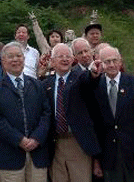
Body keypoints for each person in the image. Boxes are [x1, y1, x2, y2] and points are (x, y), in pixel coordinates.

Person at [0, 42, 51, 182]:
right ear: (3, 61)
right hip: (10, 154)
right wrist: (19, 139)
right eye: (10, 56)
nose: (15, 60)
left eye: (18, 56)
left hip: (37, 154)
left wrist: (36, 138)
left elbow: (46, 114)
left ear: (24, 59)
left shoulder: (37, 85)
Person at [91, 46, 134, 182]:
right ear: (100, 63)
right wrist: (96, 159)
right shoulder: (95, 87)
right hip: (108, 158)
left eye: (115, 60)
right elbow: (95, 126)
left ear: (121, 61)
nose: (112, 65)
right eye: (107, 61)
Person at [42, 43, 101, 182]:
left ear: (73, 59)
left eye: (68, 56)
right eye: (60, 56)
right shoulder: (45, 84)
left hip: (77, 142)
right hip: (55, 144)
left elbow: (89, 80)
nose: (64, 59)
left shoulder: (80, 77)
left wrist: (93, 72)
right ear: (52, 61)